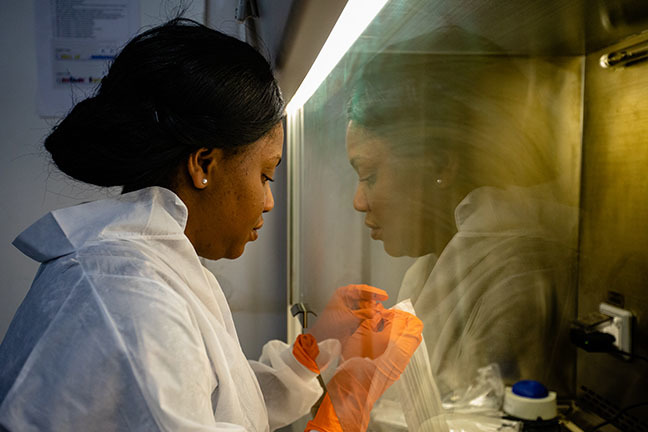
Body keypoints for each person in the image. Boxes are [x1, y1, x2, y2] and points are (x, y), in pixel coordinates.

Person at [0, 19, 422, 431]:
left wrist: (310, 352)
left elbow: (216, 403)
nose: (269, 201)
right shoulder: (130, 300)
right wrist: (344, 409)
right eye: (265, 175)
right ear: (204, 164)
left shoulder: (145, 270)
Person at [345, 37, 579, 400]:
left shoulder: (515, 277)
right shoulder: (428, 272)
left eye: (369, 175)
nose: (359, 202)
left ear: (441, 165)